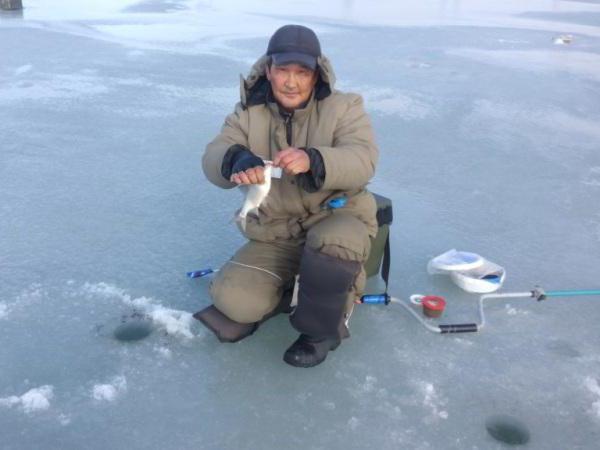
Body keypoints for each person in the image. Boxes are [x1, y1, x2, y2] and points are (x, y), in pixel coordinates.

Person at [197, 24, 378, 368]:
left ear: (316, 75)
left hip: (336, 220)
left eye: (302, 72)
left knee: (334, 243)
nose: (291, 82)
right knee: (233, 301)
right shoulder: (247, 114)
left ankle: (320, 328)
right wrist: (234, 158)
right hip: (276, 233)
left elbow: (363, 158)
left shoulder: (345, 107)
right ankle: (292, 290)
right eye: (282, 70)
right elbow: (212, 156)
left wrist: (315, 159)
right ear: (269, 70)